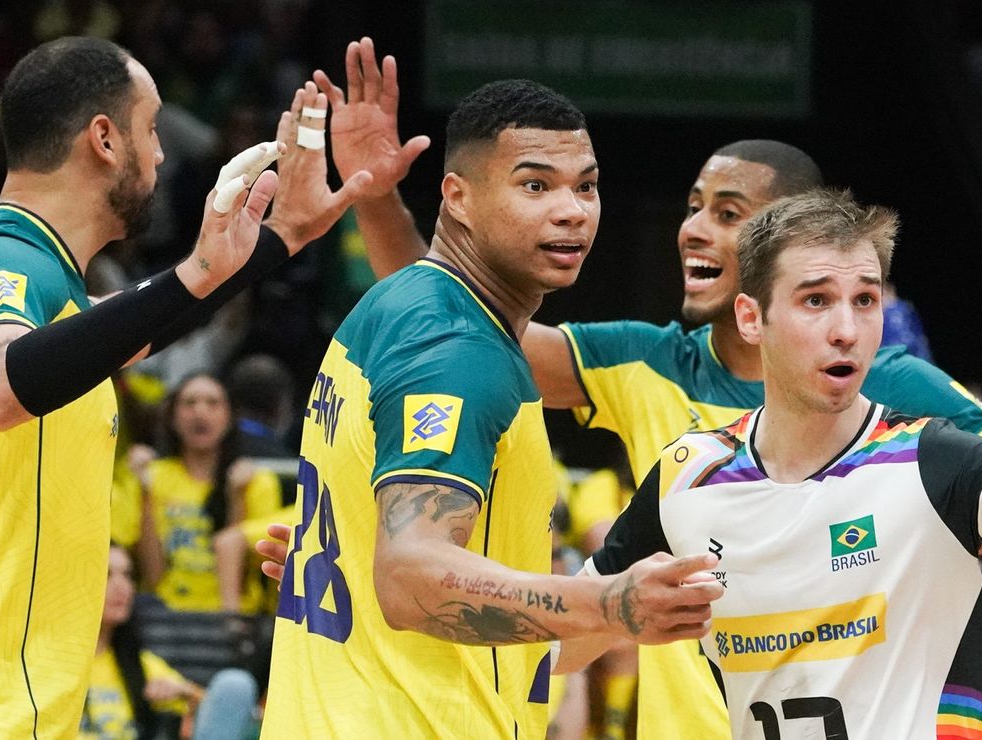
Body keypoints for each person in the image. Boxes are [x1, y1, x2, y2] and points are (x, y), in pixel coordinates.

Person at [299, 36, 982, 739]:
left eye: (727, 214)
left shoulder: (894, 388)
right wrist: (377, 199)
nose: (694, 229)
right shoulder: (646, 361)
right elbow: (452, 320)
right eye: (694, 207)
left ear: (788, 239)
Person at [580, 189, 982, 736]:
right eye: (816, 300)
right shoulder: (689, 474)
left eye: (866, 300)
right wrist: (611, 609)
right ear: (752, 318)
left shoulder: (929, 458)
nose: (847, 331)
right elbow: (563, 638)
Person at [259, 75, 725, 739]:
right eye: (536, 185)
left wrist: (594, 612)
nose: (572, 210)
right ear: (459, 198)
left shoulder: (403, 310)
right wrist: (604, 602)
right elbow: (412, 579)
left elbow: (419, 577)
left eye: (585, 186)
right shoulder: (458, 348)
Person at [0, 36, 369, 735]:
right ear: (105, 140)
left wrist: (281, 236)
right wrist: (199, 272)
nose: (163, 152)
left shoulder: (48, 285)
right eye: (151, 128)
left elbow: (127, 329)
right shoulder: (0, 254)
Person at [127, 373, 282, 614]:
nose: (200, 413)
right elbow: (153, 577)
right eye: (189, 403)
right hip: (167, 616)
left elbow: (251, 573)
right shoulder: (154, 476)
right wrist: (145, 494)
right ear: (173, 417)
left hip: (234, 616)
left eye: (213, 403)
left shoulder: (257, 482)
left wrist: (236, 498)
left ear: (230, 417)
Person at [82, 544, 258, 739]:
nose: (121, 586)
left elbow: (219, 710)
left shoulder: (139, 663)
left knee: (234, 685)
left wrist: (185, 692)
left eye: (127, 575)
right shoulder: (51, 663)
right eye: (107, 575)